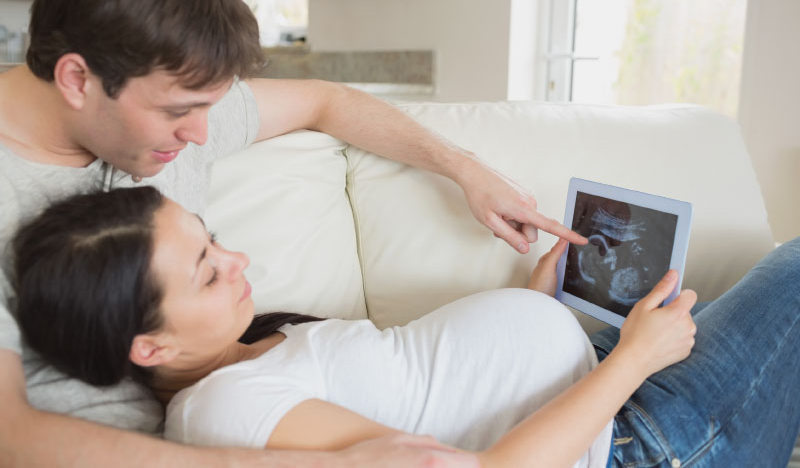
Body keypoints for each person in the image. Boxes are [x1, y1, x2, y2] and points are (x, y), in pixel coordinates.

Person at [0, 0, 586, 465]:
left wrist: (466, 169)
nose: (202, 136)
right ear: (77, 79)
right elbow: (12, 435)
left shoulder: (160, 96)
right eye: (178, 113)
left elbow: (325, 101)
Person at [11, 187, 800, 467]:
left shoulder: (248, 352)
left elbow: (434, 387)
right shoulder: (226, 411)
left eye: (213, 236)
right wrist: (631, 361)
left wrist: (542, 304)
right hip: (641, 441)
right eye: (207, 269)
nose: (239, 256)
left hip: (603, 387)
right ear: (149, 347)